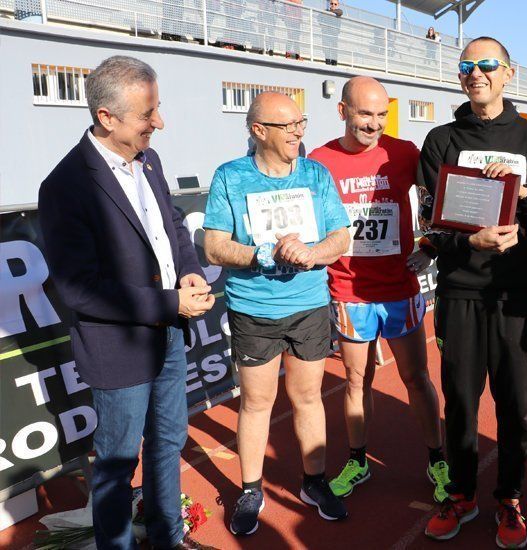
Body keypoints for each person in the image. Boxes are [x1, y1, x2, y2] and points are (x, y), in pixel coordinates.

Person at [38, 55, 215, 550]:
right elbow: (79, 289)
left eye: (157, 108)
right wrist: (170, 304)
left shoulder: (150, 159)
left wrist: (192, 274)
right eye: (147, 114)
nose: (159, 122)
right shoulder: (64, 187)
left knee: (168, 444)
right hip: (119, 351)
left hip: (171, 339)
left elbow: (173, 230)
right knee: (117, 463)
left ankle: (168, 539)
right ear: (106, 117)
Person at [417, 36, 527, 549]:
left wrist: (523, 193)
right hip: (459, 292)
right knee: (460, 400)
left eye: (486, 65)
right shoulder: (440, 140)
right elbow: (427, 225)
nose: (475, 73)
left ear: (508, 73)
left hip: (515, 295)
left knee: (514, 403)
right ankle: (462, 493)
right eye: (467, 66)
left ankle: (509, 496)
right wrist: (468, 239)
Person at [203, 92, 351, 535]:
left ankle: (314, 482)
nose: (298, 132)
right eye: (287, 125)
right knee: (257, 403)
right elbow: (213, 246)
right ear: (258, 130)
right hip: (254, 310)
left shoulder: (316, 174)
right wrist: (262, 254)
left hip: (307, 306)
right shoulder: (230, 176)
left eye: (300, 122)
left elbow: (340, 237)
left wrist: (310, 252)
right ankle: (251, 490)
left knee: (308, 398)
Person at [308, 76, 450, 502]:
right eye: (365, 114)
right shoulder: (319, 160)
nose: (374, 124)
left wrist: (430, 244)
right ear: (343, 111)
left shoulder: (403, 151)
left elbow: (437, 200)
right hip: (349, 289)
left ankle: (437, 458)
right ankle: (357, 460)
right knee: (356, 379)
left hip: (399, 287)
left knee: (416, 376)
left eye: (382, 115)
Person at [323, 0, 343, 66]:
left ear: (338, 5)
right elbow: (319, 17)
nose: (333, 5)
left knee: (334, 49)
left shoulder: (338, 11)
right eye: (331, 3)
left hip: (334, 34)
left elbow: (340, 12)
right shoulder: (326, 11)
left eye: (335, 4)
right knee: (326, 49)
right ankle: (327, 64)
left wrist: (329, 12)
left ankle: (334, 64)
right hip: (326, 33)